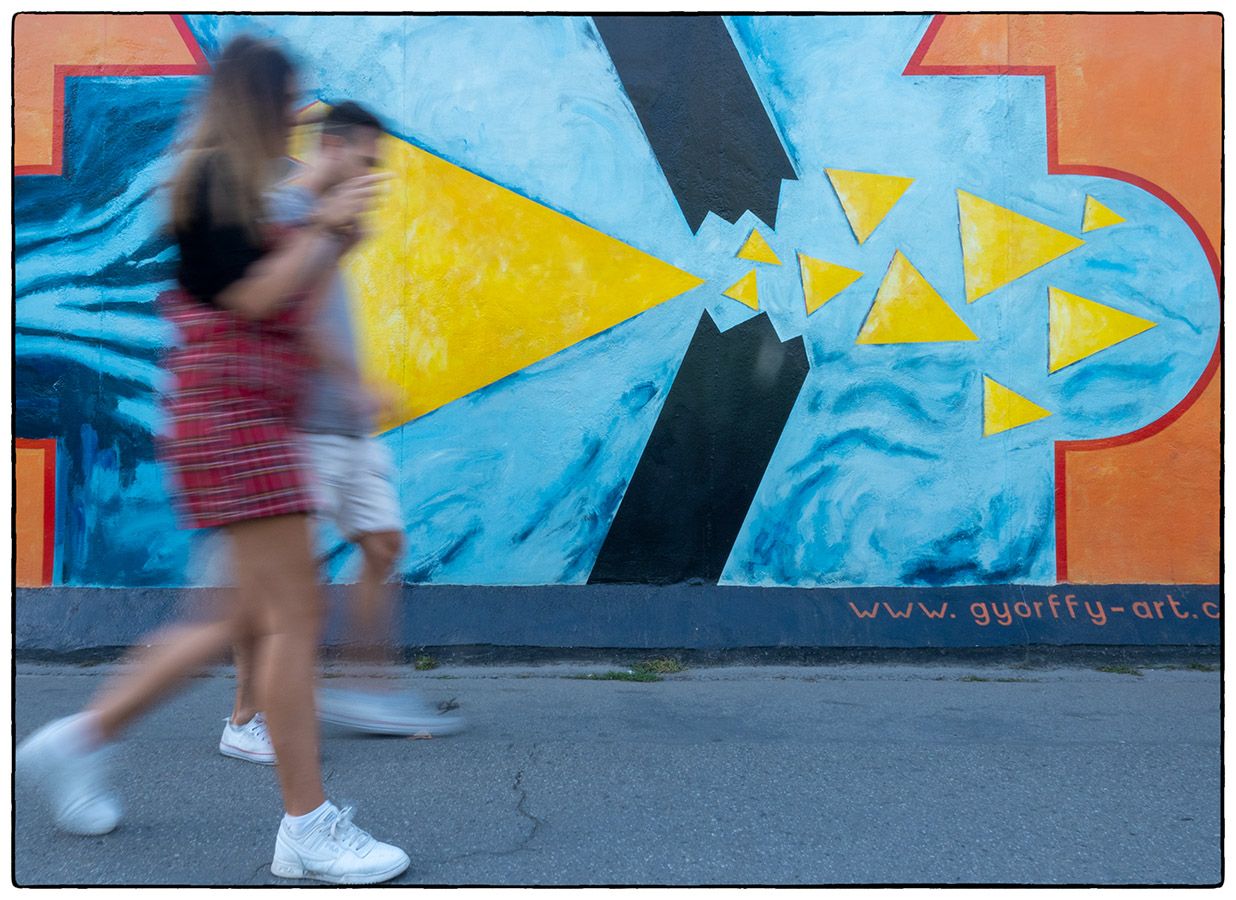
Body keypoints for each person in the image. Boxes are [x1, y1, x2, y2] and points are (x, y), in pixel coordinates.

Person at [16, 36, 409, 885]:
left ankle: (72, 741)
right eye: (290, 102)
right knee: (294, 619)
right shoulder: (204, 186)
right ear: (258, 102)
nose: (299, 117)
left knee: (222, 620)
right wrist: (331, 229)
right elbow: (259, 294)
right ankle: (306, 825)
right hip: (236, 423)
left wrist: (333, 219)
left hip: (246, 416)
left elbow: (290, 262)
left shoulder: (239, 186)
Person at [218, 100, 461, 768]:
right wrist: (350, 380)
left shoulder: (327, 212)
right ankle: (245, 715)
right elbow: (291, 313)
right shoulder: (282, 202)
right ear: (334, 146)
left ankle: (367, 691)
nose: (374, 173)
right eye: (366, 158)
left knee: (382, 545)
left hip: (346, 425)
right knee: (270, 588)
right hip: (301, 424)